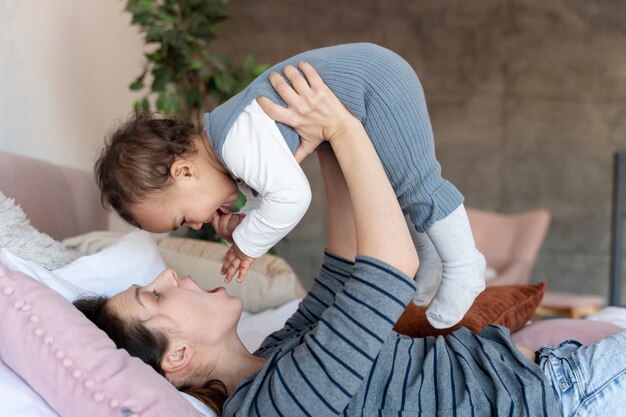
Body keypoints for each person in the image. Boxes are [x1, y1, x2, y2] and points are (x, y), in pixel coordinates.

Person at [78, 64, 626, 417]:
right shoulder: (274, 407)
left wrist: (319, 137)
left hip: (540, 374)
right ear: (175, 357)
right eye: (154, 296)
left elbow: (343, 268)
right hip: (560, 400)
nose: (170, 274)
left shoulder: (273, 357)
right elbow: (389, 270)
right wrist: (345, 128)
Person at [95, 43, 486, 329]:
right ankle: (434, 257)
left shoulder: (236, 143)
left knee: (418, 183)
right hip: (372, 77)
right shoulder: (228, 142)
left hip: (376, 84)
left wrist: (248, 243)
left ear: (184, 173)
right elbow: (274, 186)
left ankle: (466, 265)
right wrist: (245, 219)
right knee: (401, 190)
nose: (196, 225)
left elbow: (293, 198)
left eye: (183, 217)